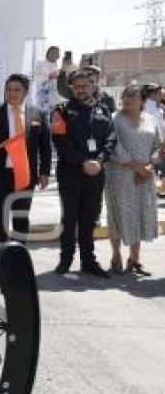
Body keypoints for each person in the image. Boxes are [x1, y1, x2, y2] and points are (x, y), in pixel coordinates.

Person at [51, 69, 117, 277]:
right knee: (70, 217)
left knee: (89, 218)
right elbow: (60, 142)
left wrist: (98, 160)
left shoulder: (104, 109)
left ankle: (88, 261)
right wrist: (82, 161)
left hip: (96, 171)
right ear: (72, 88)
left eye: (85, 86)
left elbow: (111, 138)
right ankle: (66, 260)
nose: (81, 90)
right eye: (77, 87)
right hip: (71, 171)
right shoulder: (61, 110)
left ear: (93, 87)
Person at [0, 74, 52, 243]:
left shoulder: (38, 114)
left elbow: (45, 146)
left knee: (21, 219)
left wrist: (45, 172)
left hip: (25, 175)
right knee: (0, 220)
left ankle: (19, 258)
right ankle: (2, 258)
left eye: (17, 90)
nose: (12, 93)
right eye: (8, 89)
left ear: (26, 92)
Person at [104, 84, 161, 275]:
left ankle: (134, 259)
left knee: (139, 216)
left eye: (134, 96)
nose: (128, 99)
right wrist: (136, 167)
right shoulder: (113, 119)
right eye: (126, 95)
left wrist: (150, 166)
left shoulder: (152, 119)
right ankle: (116, 255)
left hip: (145, 176)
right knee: (118, 215)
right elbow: (113, 147)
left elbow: (158, 146)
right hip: (120, 175)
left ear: (143, 101)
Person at [34, 46, 61, 111]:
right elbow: (35, 76)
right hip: (42, 94)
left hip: (55, 96)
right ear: (47, 53)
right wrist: (48, 77)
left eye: (56, 53)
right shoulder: (40, 64)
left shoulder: (59, 67)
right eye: (52, 52)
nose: (53, 55)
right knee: (43, 114)